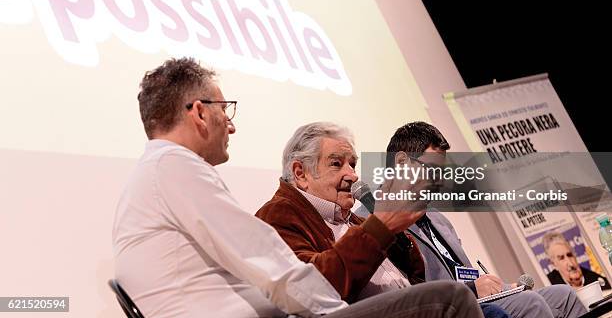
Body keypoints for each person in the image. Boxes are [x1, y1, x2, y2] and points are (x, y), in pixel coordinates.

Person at [112, 58, 484, 318]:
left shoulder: (158, 174)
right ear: (198, 112)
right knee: (449, 303)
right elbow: (284, 277)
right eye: (226, 109)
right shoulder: (177, 169)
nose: (231, 124)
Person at [257, 121, 501, 317]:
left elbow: (414, 279)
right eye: (336, 164)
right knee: (454, 300)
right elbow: (312, 289)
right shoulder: (279, 215)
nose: (352, 175)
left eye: (353, 164)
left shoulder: (353, 221)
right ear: (301, 173)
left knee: (516, 305)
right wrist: (382, 227)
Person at [379, 121, 587, 318]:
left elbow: (465, 274)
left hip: (473, 298)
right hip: (446, 308)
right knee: (530, 303)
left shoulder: (435, 216)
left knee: (563, 295)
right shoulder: (375, 221)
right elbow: (406, 293)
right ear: (402, 162)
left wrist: (501, 288)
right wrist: (472, 289)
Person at [543, 231, 611, 289]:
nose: (570, 263)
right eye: (561, 258)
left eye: (570, 255)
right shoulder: (549, 286)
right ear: (553, 264)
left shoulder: (597, 280)